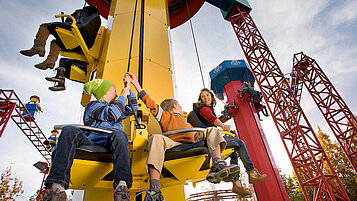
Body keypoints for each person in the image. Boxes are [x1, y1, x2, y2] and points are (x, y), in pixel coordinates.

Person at [126, 72, 239, 201]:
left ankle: (218, 163)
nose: (181, 108)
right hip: (173, 143)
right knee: (156, 138)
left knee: (211, 130)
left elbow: (198, 135)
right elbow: (149, 102)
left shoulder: (189, 124)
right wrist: (136, 84)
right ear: (175, 106)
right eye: (179, 106)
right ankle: (154, 190)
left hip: (193, 142)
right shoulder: (165, 116)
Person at [43, 76, 139, 201]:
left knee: (120, 135)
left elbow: (134, 107)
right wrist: (122, 96)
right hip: (93, 142)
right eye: (113, 90)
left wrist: (127, 87)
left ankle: (122, 185)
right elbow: (111, 114)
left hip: (112, 142)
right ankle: (57, 187)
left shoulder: (117, 107)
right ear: (105, 93)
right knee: (69, 130)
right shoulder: (93, 105)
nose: (116, 94)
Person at [192, 88, 267, 197]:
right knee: (240, 143)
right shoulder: (203, 108)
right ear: (201, 100)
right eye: (203, 96)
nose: (206, 98)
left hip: (211, 136)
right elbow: (211, 118)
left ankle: (236, 184)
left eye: (207, 95)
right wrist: (222, 125)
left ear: (212, 97)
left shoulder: (205, 108)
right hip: (209, 137)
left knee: (233, 153)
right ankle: (251, 172)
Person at [20, 6, 100, 70]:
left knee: (45, 26)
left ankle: (38, 47)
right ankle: (50, 61)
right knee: (56, 42)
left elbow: (69, 20)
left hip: (75, 32)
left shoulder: (80, 12)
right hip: (82, 44)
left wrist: (65, 22)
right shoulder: (95, 21)